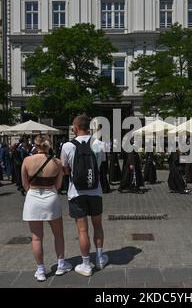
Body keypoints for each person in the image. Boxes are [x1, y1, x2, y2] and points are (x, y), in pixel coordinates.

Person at [61, 115, 109, 277]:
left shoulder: (67, 146)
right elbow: (100, 165)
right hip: (95, 191)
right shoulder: (99, 144)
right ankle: (100, 258)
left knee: (82, 230)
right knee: (98, 226)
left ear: (75, 126)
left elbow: (65, 169)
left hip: (76, 193)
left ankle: (86, 264)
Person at [21, 135, 71, 282]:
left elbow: (25, 185)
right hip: (51, 198)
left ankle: (41, 270)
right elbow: (58, 185)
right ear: (49, 145)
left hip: (33, 198)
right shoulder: (57, 162)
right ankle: (61, 265)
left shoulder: (27, 161)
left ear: (35, 145)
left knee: (36, 238)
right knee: (58, 234)